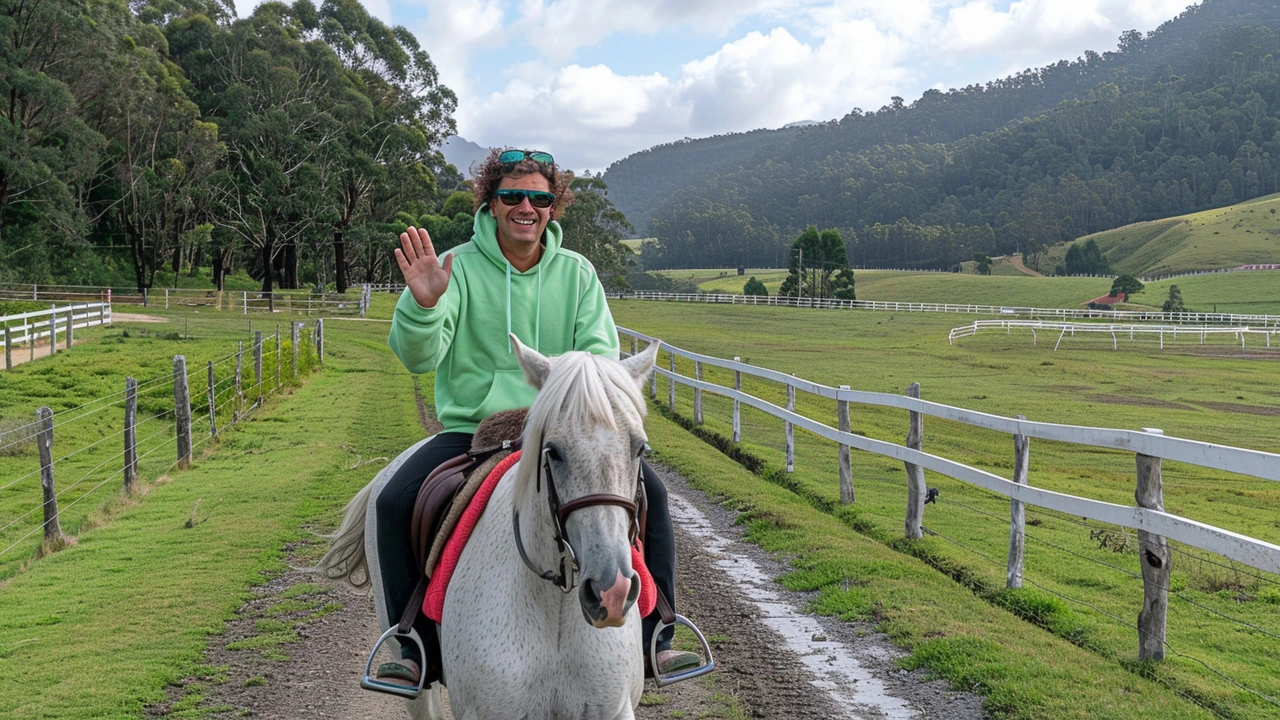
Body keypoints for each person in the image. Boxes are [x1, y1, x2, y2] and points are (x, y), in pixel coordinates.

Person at [372, 148, 700, 687]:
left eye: (540, 198)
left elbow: (599, 358)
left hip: (564, 429)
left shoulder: (576, 273)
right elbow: (418, 358)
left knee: (655, 495)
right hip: (473, 431)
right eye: (513, 196)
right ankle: (412, 644)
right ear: (491, 203)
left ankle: (658, 632)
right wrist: (425, 305)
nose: (527, 206)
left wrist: (557, 398)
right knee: (394, 501)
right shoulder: (456, 267)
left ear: (553, 208)